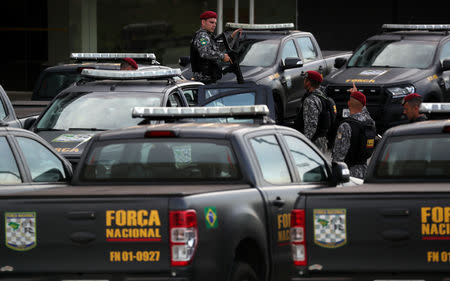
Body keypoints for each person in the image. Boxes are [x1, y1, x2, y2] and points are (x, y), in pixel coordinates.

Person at [332, 88, 376, 179]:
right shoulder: (370, 122)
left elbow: (339, 154)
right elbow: (364, 109)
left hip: (349, 173)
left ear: (348, 103)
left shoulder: (346, 126)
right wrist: (356, 95)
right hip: (364, 171)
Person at [190, 11, 241, 84]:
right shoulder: (202, 36)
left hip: (210, 78)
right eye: (211, 22)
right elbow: (205, 52)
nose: (214, 25)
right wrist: (222, 56)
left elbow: (218, 48)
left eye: (215, 23)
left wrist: (231, 37)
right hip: (203, 80)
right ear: (203, 22)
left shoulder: (209, 36)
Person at [295, 70, 328, 153]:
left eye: (305, 79)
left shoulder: (310, 100)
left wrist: (305, 144)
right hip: (321, 142)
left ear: (308, 82)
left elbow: (311, 126)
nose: (303, 81)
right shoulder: (322, 96)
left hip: (313, 144)